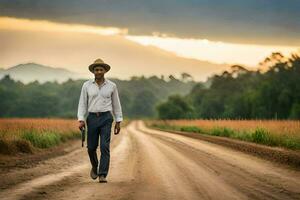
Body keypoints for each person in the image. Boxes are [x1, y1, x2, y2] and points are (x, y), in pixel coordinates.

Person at [77, 58, 123, 183]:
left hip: (106, 118)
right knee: (91, 147)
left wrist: (118, 121)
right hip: (91, 118)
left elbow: (116, 104)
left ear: (104, 71)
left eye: (100, 69)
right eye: (96, 69)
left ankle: (102, 174)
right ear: (93, 71)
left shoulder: (112, 86)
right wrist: (81, 119)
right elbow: (82, 104)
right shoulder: (86, 85)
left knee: (104, 146)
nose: (98, 71)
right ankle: (94, 166)